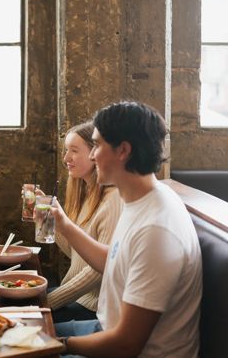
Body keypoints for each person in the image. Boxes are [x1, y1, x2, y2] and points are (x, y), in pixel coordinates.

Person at [53, 101, 202, 358]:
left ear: (123, 150)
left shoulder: (157, 230)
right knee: (18, 329)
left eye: (97, 145)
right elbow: (116, 260)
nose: (91, 156)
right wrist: (64, 225)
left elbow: (126, 344)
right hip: (103, 326)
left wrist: (58, 345)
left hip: (133, 350)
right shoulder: (138, 198)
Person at [46, 122, 122, 323]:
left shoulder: (113, 200)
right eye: (65, 151)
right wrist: (51, 222)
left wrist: (50, 301)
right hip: (78, 298)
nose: (66, 158)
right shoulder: (87, 192)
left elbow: (99, 270)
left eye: (74, 151)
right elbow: (75, 253)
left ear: (95, 153)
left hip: (93, 307)